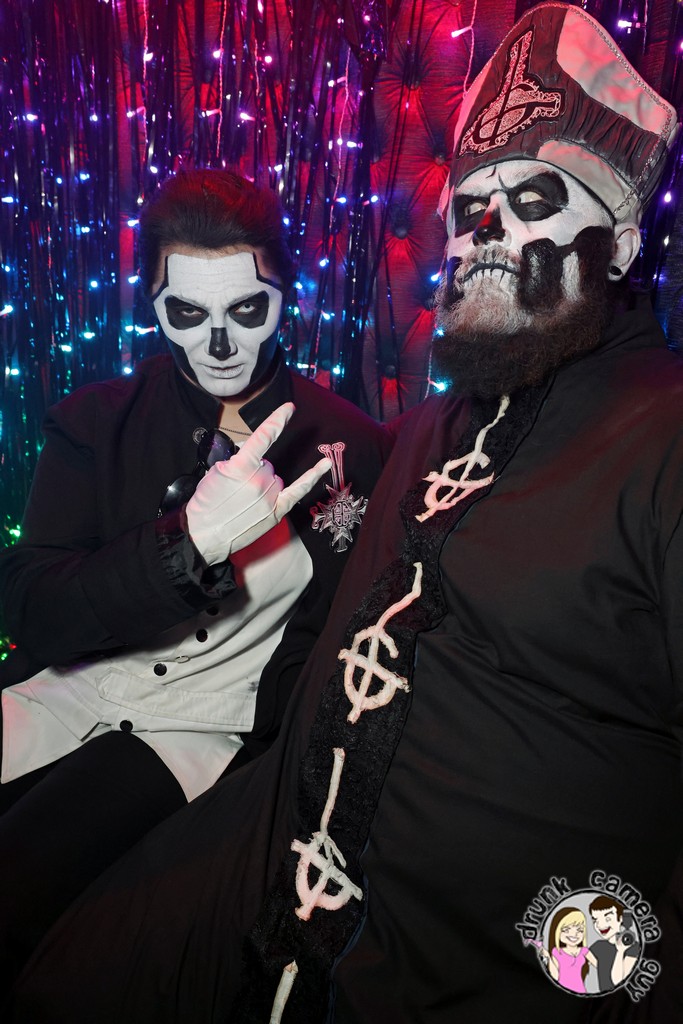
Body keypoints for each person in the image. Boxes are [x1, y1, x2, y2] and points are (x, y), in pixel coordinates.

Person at [8, 6, 683, 1023]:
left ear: (621, 242)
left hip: (474, 939)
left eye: (532, 200)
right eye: (469, 206)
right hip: (258, 849)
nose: (485, 234)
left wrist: (618, 977)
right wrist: (184, 550)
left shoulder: (655, 439)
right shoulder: (420, 435)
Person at [0, 169, 390, 987]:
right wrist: (186, 546)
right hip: (59, 693)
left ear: (286, 296)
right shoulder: (94, 421)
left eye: (247, 310)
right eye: (187, 313)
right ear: (153, 304)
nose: (219, 345)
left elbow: (329, 653)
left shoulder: (353, 446)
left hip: (197, 738)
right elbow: (35, 611)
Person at [588, 896, 640, 991]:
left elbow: (618, 981)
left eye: (607, 919)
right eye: (595, 920)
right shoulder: (598, 946)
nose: (600, 925)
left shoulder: (633, 947)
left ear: (620, 918)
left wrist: (620, 951)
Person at [543, 907, 596, 995]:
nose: (574, 934)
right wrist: (548, 957)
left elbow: (600, 966)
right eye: (566, 930)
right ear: (557, 931)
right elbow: (555, 976)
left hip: (580, 991)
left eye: (580, 930)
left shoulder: (584, 951)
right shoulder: (556, 952)